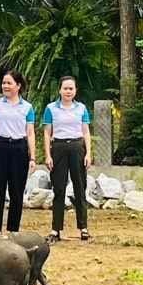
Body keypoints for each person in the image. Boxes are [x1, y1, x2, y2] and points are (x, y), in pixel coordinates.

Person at [0, 70, 36, 237]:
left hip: (19, 149)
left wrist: (32, 157)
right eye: (4, 83)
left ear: (18, 86)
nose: (5, 86)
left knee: (17, 191)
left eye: (9, 83)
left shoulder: (27, 108)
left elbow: (30, 133)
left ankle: (13, 230)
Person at [42, 75, 91, 243]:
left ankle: (83, 228)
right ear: (60, 90)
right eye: (65, 88)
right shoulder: (51, 108)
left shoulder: (82, 108)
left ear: (75, 90)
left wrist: (88, 153)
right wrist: (48, 155)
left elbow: (85, 132)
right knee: (59, 189)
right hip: (59, 148)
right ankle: (56, 230)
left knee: (80, 188)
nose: (68, 91)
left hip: (77, 147)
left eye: (71, 88)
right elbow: (47, 132)